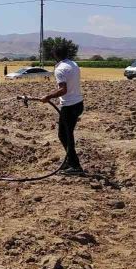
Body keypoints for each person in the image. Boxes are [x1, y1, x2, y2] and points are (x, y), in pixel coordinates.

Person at [41, 44, 84, 175]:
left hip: (69, 106)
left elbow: (63, 90)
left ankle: (74, 165)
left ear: (55, 55)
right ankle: (70, 161)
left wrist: (48, 96)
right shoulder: (73, 64)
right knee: (67, 134)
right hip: (78, 103)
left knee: (65, 135)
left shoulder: (60, 69)